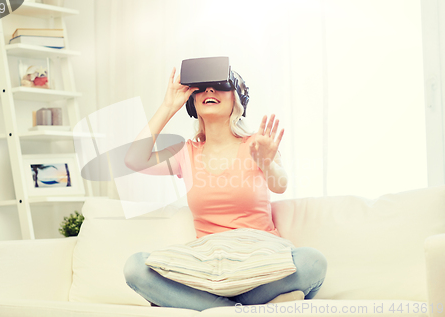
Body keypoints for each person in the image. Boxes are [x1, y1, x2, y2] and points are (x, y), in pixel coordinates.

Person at [123, 67, 327, 312]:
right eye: (202, 87)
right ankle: (240, 309)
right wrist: (168, 106)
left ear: (237, 100)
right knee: (135, 268)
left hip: (260, 262)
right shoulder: (186, 153)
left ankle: (212, 309)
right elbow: (133, 160)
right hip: (209, 265)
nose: (210, 90)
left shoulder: (257, 145)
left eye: (221, 85)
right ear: (192, 103)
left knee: (313, 261)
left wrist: (267, 163)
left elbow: (280, 185)